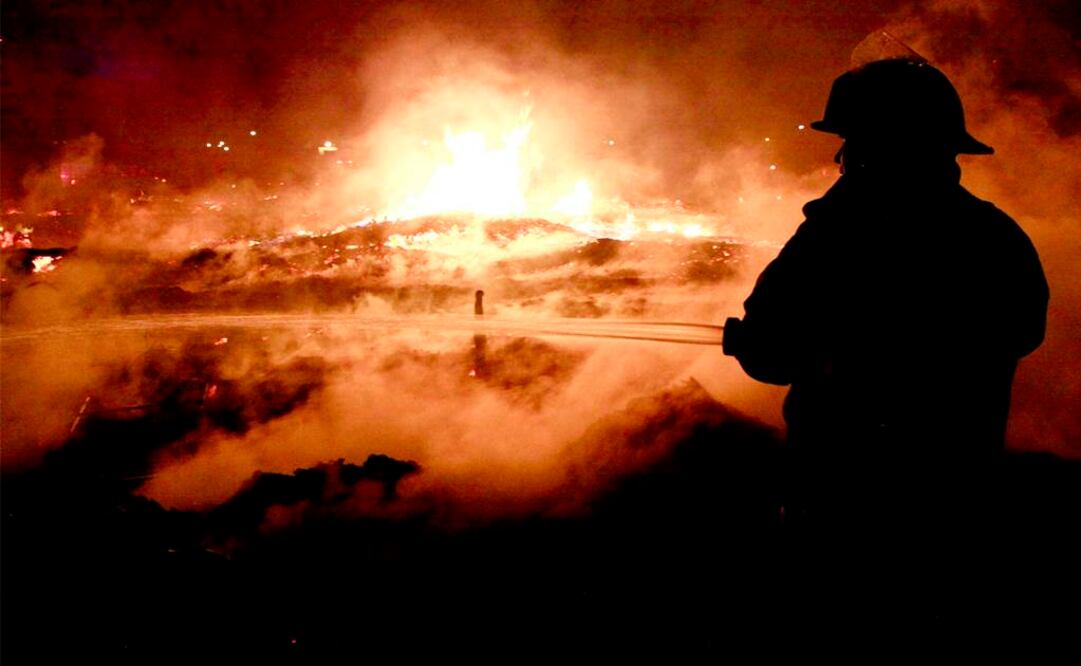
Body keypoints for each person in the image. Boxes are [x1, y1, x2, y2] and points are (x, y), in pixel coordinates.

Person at [722, 58, 1049, 533]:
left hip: (843, 501)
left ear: (875, 149)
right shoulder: (995, 237)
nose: (843, 158)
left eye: (851, 142)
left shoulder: (835, 237)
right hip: (955, 502)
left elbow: (773, 352)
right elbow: (1018, 333)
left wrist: (765, 344)